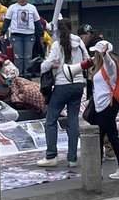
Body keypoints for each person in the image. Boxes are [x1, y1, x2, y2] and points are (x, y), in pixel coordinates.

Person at [35, 18, 88, 168]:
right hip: (78, 84)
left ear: (58, 30)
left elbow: (47, 65)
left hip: (62, 85)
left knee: (51, 120)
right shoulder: (79, 42)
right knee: (73, 121)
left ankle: (51, 155)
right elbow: (87, 59)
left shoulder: (57, 45)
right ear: (71, 28)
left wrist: (46, 65)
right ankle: (72, 158)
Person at [89, 41, 119, 180]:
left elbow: (109, 62)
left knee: (110, 136)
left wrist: (104, 54)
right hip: (102, 106)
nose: (94, 54)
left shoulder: (110, 66)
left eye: (96, 52)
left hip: (108, 106)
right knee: (105, 137)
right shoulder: (100, 67)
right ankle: (117, 169)